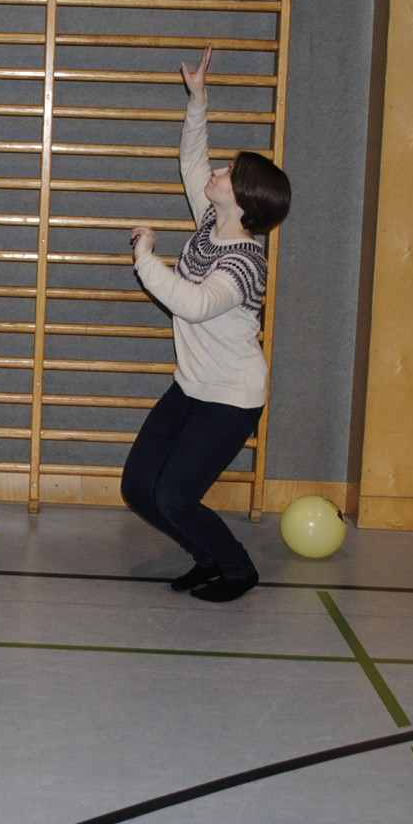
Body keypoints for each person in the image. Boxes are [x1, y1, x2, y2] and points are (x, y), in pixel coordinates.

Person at [123, 48, 292, 603]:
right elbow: (192, 160)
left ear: (243, 202)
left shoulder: (245, 263)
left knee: (174, 495)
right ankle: (207, 557)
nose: (218, 173)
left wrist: (145, 257)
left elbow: (193, 304)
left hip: (231, 397)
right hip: (191, 387)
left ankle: (238, 569)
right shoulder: (209, 222)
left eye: (229, 175)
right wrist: (198, 100)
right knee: (139, 488)